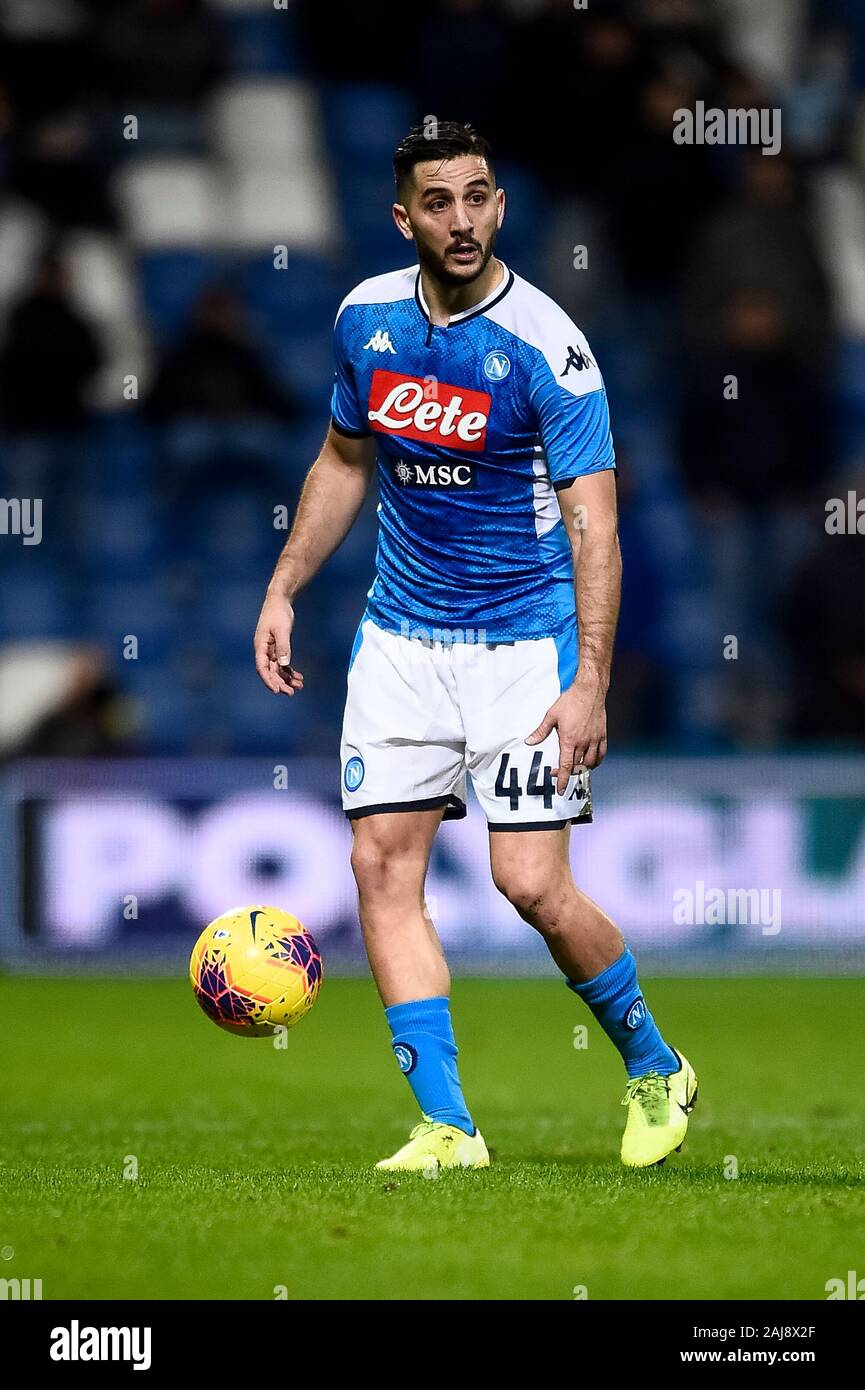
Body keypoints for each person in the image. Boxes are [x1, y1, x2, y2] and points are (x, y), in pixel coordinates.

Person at [253, 123, 697, 1171]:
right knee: (380, 866)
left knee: (529, 884)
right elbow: (343, 461)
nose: (461, 219)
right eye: (438, 201)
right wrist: (282, 586)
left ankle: (653, 1062)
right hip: (400, 639)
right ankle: (448, 1126)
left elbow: (596, 526)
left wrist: (590, 682)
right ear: (402, 217)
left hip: (524, 645)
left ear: (500, 206)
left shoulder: (550, 347)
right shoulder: (364, 320)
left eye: (478, 196)